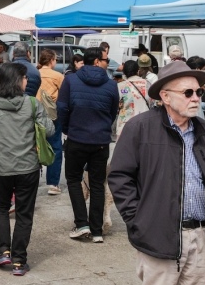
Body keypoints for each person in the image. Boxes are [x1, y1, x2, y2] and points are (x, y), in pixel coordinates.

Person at [109, 61, 205, 285]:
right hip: (159, 234)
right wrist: (138, 220)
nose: (195, 98)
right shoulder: (140, 128)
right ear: (165, 96)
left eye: (199, 92)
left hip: (200, 235)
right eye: (187, 92)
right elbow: (120, 176)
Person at [0, 62, 54, 277]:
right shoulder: (32, 104)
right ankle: (20, 261)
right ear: (17, 80)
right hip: (28, 168)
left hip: (0, 169)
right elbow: (49, 130)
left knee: (1, 208)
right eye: (24, 77)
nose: (27, 80)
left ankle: (3, 252)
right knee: (24, 214)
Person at [56, 47, 119, 243]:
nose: (107, 63)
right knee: (98, 183)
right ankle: (97, 230)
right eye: (106, 60)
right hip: (100, 140)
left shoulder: (71, 80)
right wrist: (102, 127)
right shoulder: (110, 85)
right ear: (97, 61)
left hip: (77, 137)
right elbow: (113, 111)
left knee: (73, 179)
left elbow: (62, 107)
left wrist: (67, 128)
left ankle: (82, 224)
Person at [37, 49, 64, 196]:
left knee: (35, 145)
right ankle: (53, 183)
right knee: (55, 147)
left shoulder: (34, 74)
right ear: (52, 60)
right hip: (53, 115)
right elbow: (64, 95)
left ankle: (32, 179)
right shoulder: (58, 76)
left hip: (35, 113)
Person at [116, 59, 150, 139]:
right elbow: (153, 102)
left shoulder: (120, 86)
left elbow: (117, 104)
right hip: (144, 122)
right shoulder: (147, 84)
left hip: (125, 124)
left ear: (124, 72)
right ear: (138, 71)